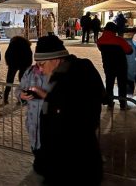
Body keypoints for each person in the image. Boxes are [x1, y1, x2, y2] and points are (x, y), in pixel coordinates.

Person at [34, 35, 106, 185]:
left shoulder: (79, 73)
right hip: (60, 163)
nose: (40, 70)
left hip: (75, 165)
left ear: (56, 59)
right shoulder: (60, 75)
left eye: (41, 64)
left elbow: (74, 118)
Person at [16, 63, 51, 175]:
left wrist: (43, 94)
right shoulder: (30, 71)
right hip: (32, 119)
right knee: (35, 147)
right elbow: (19, 88)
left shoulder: (56, 73)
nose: (40, 63)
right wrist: (20, 94)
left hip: (49, 119)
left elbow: (63, 97)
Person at [97, 22, 133, 110]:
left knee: (109, 84)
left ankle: (110, 103)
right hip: (121, 65)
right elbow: (129, 51)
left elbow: (100, 49)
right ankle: (123, 104)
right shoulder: (119, 40)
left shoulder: (100, 40)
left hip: (108, 65)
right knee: (122, 84)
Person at [3, 36, 33, 105]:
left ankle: (5, 98)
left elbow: (7, 54)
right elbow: (29, 56)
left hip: (13, 65)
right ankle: (22, 100)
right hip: (23, 65)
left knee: (9, 81)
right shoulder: (26, 45)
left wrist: (9, 63)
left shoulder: (12, 44)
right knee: (22, 82)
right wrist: (28, 65)